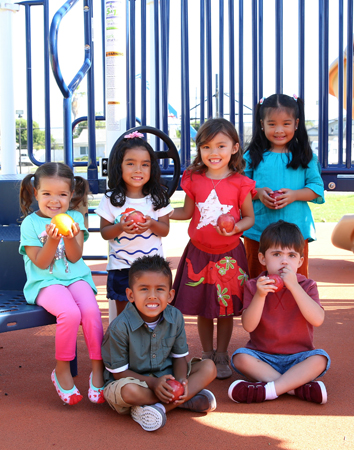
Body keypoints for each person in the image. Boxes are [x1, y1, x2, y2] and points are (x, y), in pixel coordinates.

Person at [171, 118, 256, 380]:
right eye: (206, 147)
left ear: (234, 148)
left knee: (225, 308)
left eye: (221, 146)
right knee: (202, 307)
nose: (213, 153)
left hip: (229, 255)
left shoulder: (241, 183)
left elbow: (249, 218)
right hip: (198, 253)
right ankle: (207, 353)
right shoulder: (194, 179)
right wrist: (161, 213)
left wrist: (235, 228)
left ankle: (222, 353)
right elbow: (186, 211)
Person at [19, 162, 105, 405]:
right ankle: (62, 370)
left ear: (71, 195)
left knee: (90, 311)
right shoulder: (30, 224)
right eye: (46, 194)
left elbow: (75, 257)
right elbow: (41, 263)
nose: (54, 201)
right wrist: (51, 241)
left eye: (62, 194)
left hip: (76, 278)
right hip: (45, 282)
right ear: (36, 193)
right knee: (69, 312)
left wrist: (68, 238)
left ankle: (98, 368)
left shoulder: (75, 217)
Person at [101, 254, 217, 432]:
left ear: (170, 295)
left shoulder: (175, 316)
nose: (152, 296)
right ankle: (181, 401)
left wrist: (181, 383)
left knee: (209, 367)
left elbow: (179, 358)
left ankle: (160, 408)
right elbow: (119, 373)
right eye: (144, 289)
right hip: (133, 381)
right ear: (131, 295)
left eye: (160, 289)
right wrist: (154, 384)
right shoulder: (120, 327)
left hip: (167, 375)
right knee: (128, 391)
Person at [228, 220, 330, 405]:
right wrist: (260, 295)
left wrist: (294, 287)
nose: (284, 261)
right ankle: (296, 388)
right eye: (276, 254)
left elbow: (318, 319)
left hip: (299, 357)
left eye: (291, 255)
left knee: (320, 359)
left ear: (300, 261)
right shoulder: (254, 286)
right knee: (240, 358)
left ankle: (267, 390)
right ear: (262, 259)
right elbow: (248, 325)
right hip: (262, 356)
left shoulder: (307, 286)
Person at [243, 94, 325, 279]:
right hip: (259, 231)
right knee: (257, 279)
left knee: (295, 280)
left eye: (286, 124)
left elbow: (316, 187)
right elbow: (240, 188)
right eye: (272, 124)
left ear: (296, 124)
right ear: (262, 124)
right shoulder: (251, 156)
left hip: (296, 232)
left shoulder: (306, 156)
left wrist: (294, 195)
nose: (279, 130)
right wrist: (257, 193)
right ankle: (257, 308)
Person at [95, 131, 173, 318]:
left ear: (151, 169)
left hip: (152, 269)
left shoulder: (157, 197)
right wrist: (120, 227)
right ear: (119, 167)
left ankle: (150, 346)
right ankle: (125, 346)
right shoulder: (111, 199)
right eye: (130, 164)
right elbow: (105, 232)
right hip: (121, 267)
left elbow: (165, 229)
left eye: (144, 165)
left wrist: (151, 224)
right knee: (125, 317)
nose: (138, 170)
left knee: (151, 314)